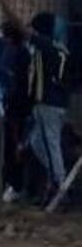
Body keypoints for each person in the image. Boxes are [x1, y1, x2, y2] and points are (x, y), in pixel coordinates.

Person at [27, 13, 71, 203]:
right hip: (50, 103)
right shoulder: (57, 48)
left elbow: (23, 30)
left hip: (50, 104)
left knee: (51, 144)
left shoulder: (46, 45)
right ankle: (57, 175)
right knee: (37, 141)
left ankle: (60, 184)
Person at [0, 20, 32, 202]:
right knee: (15, 145)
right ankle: (15, 184)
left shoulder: (11, 53)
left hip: (13, 107)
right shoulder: (24, 52)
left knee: (13, 147)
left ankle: (15, 185)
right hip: (20, 105)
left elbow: (10, 81)